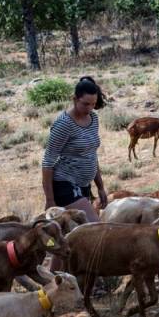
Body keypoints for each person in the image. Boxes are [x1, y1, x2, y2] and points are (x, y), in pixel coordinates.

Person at [41, 75, 109, 222]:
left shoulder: (93, 118)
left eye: (93, 104)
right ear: (75, 99)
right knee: (95, 227)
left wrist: (100, 187)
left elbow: (91, 154)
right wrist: (50, 200)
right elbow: (48, 162)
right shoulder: (64, 124)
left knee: (78, 235)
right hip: (65, 184)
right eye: (85, 104)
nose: (90, 108)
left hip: (84, 186)